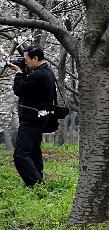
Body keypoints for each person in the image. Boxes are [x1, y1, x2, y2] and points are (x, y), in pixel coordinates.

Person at [9, 46, 57, 187]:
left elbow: (20, 89)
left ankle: (36, 185)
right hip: (38, 118)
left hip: (31, 120)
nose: (25, 63)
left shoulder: (40, 75)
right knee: (34, 152)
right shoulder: (45, 72)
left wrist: (18, 73)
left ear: (36, 58)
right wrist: (23, 73)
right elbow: (30, 89)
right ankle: (38, 183)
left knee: (20, 155)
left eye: (26, 60)